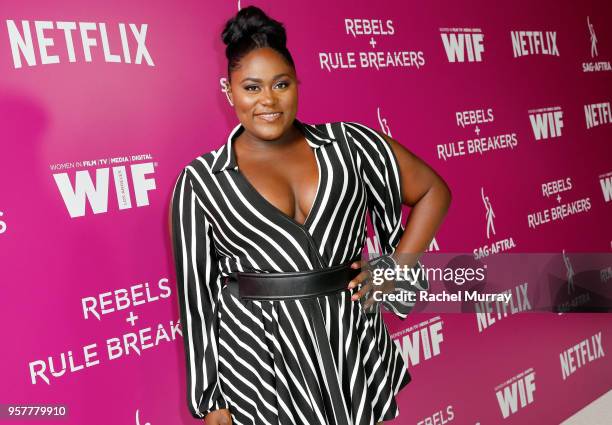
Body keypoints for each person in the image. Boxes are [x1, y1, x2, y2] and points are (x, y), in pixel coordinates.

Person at [169, 5, 451, 425]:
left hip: (348, 339)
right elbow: (198, 299)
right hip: (260, 361)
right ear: (228, 91)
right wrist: (211, 400)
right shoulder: (202, 181)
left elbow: (433, 191)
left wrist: (395, 267)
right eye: (251, 87)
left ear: (297, 84)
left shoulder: (350, 146)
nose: (268, 100)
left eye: (281, 84)